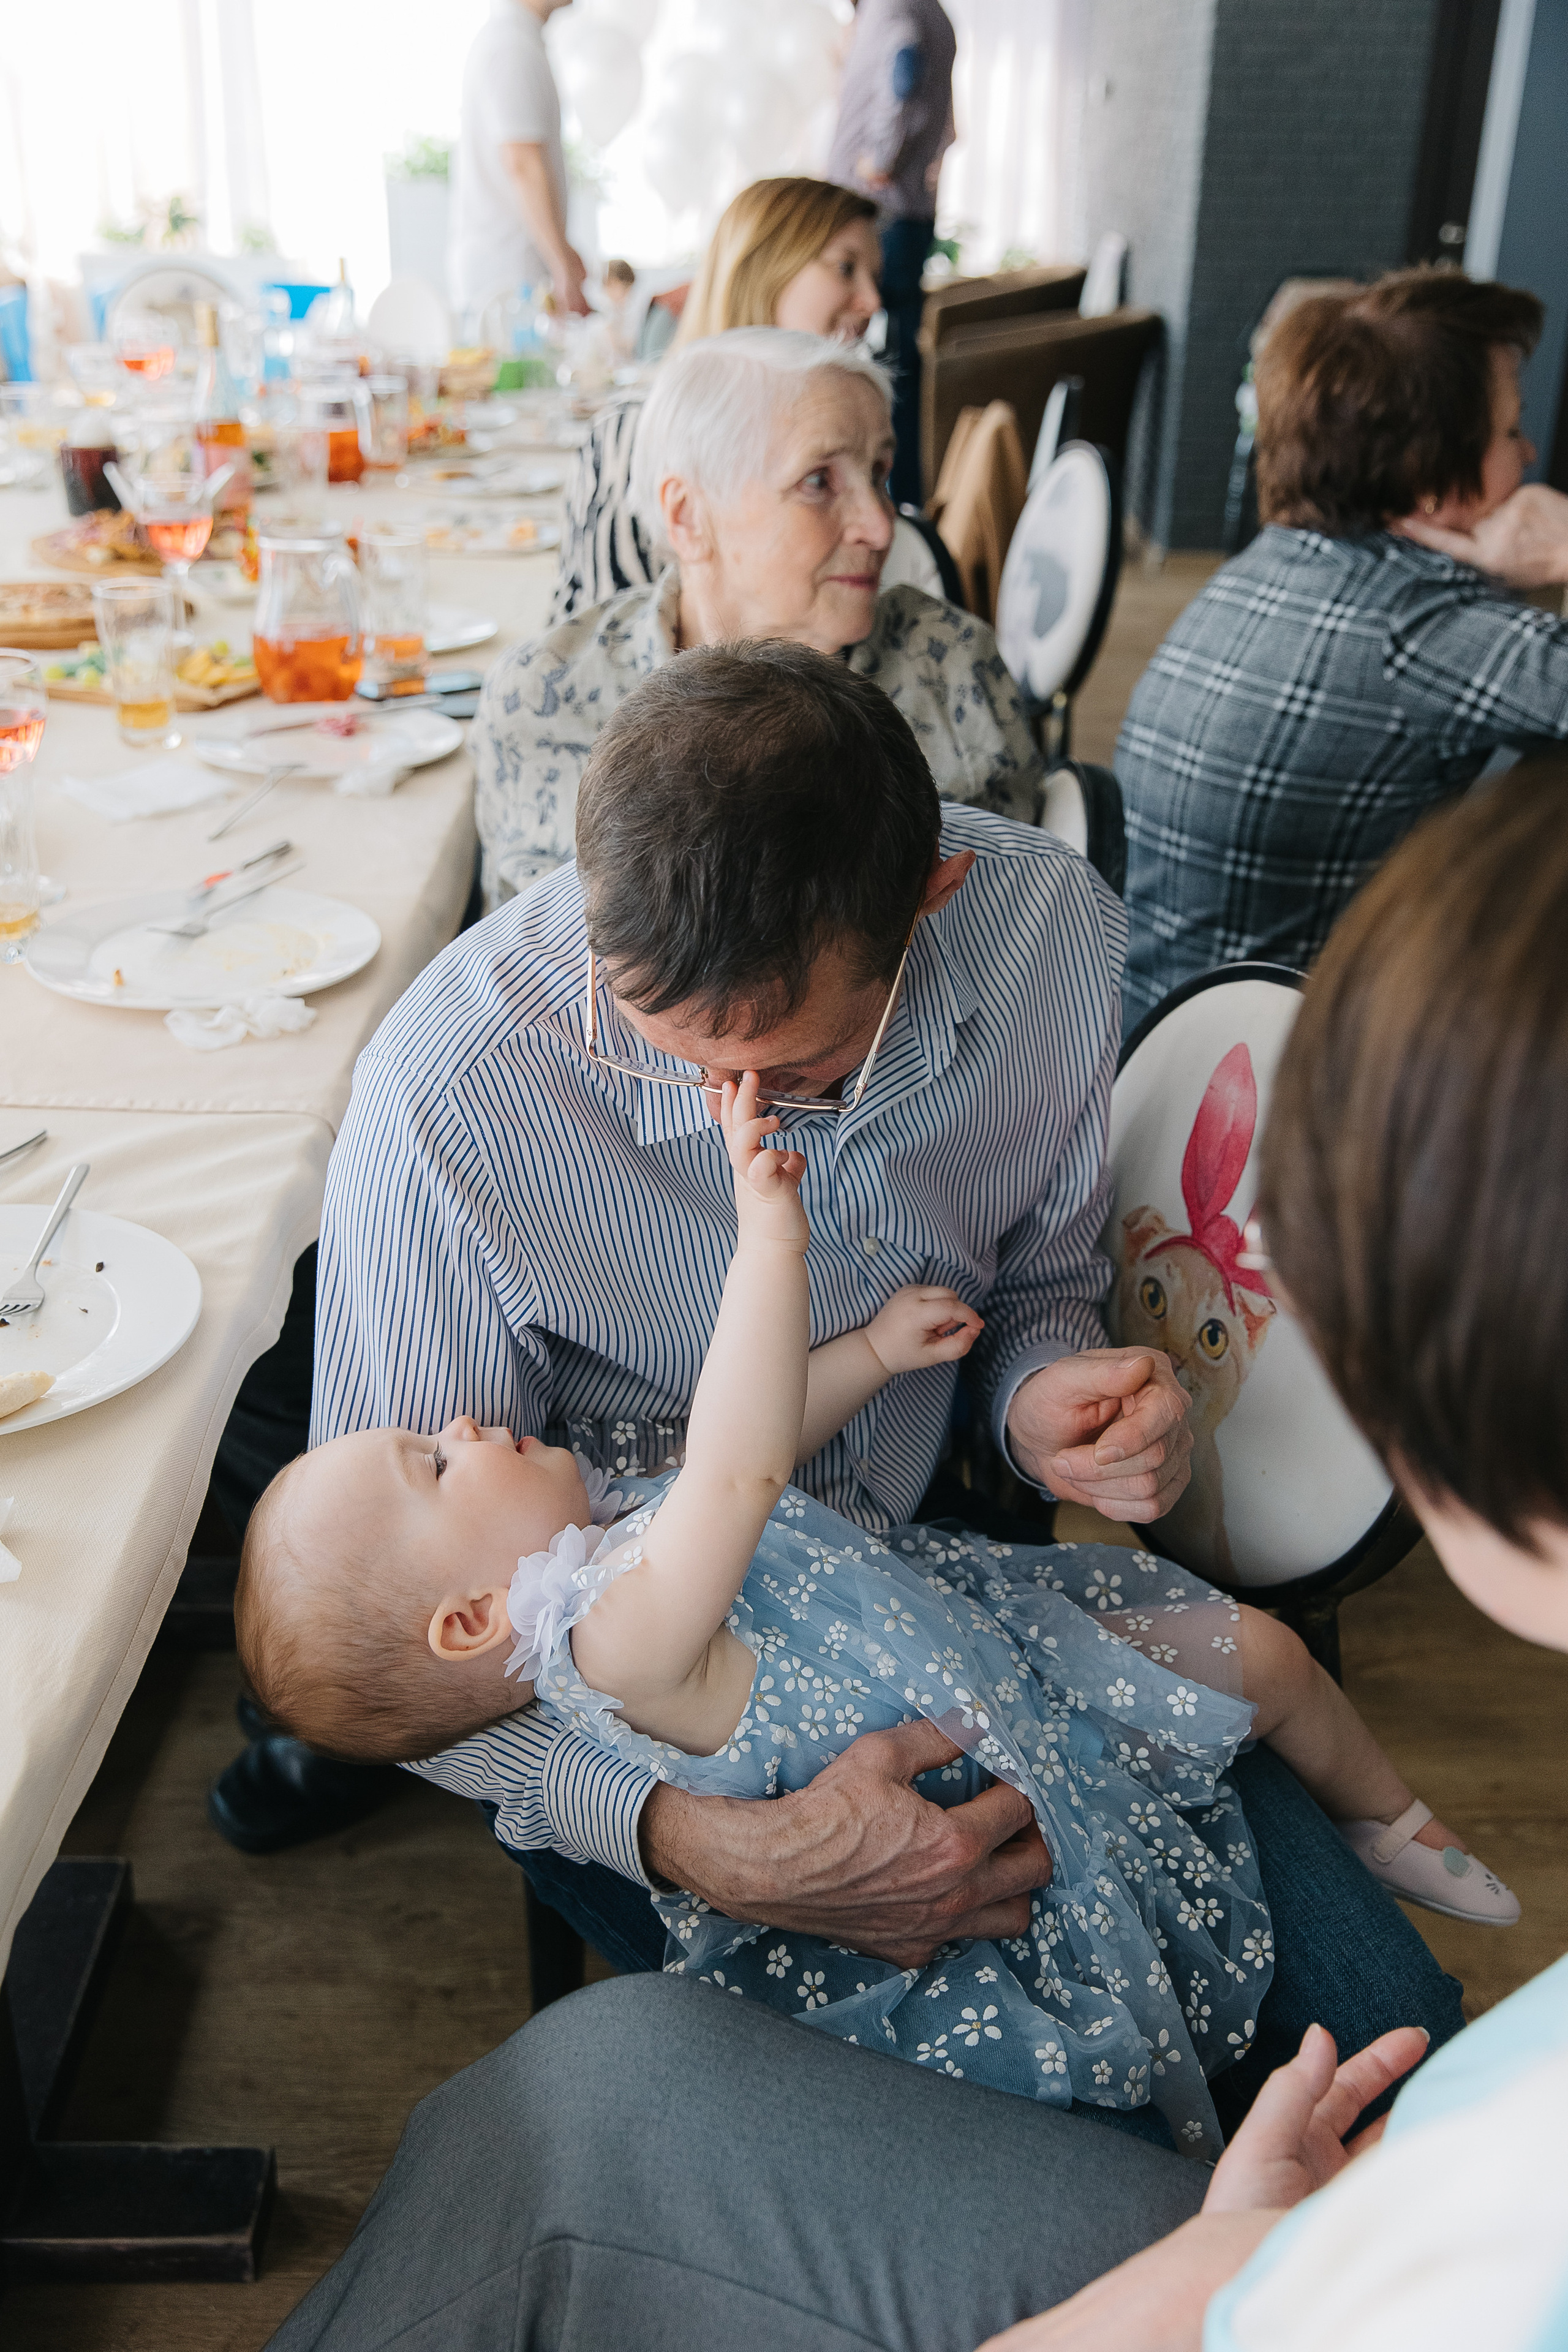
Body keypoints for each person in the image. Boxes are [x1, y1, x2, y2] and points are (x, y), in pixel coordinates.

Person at [262, 764, 1567, 2352]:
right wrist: (690, 1840)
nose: (749, 1112)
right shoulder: (445, 1115)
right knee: (1089, 2165)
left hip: (958, 1605)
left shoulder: (1034, 927)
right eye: (692, 1055)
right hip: (721, 1778)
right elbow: (425, 1669)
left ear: (923, 910)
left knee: (1397, 2042)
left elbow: (1032, 1290)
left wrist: (1028, 1395)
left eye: (797, 1063)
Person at [1115, 266, 1568, 1037]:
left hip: (1141, 1045)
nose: (1528, 454)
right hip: (1273, 1086)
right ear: (1428, 478)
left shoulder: (1269, 562)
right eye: (1508, 431)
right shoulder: (1421, 628)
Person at [477, 328, 1042, 907]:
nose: (879, 526)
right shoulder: (546, 703)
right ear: (689, 516)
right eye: (818, 482)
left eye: (878, 473)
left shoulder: (952, 670)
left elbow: (1006, 946)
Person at [552, 176, 884, 622]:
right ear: (764, 268)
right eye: (846, 268)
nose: (872, 300)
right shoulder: (631, 436)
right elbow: (614, 652)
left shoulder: (863, 426)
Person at [827, 0, 957, 507]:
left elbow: (905, 66)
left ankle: (886, 501)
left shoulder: (895, 8)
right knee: (893, 367)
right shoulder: (932, 12)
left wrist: (880, 156)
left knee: (880, 371)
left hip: (883, 220)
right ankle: (893, 500)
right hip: (901, 219)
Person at [450, 0, 589, 327]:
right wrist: (562, 264)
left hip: (511, 276)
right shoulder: (511, 47)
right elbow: (522, 162)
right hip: (508, 283)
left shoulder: (514, 41)